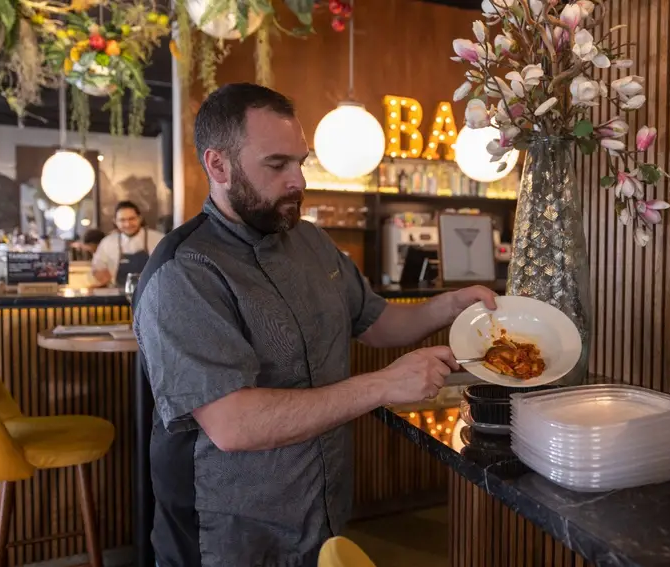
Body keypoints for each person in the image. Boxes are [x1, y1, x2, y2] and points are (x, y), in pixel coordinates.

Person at [132, 83, 497, 567]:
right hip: (229, 536)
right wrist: (385, 384)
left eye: (300, 162)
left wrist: (447, 306)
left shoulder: (310, 242)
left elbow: (374, 321)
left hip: (319, 509)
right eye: (277, 164)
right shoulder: (184, 271)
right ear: (218, 165)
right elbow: (234, 424)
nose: (298, 180)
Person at [90, 201, 164, 287]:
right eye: (122, 220)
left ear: (140, 218)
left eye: (131, 219)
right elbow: (97, 268)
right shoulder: (107, 243)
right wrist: (99, 274)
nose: (127, 224)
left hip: (152, 294)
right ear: (115, 221)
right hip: (118, 296)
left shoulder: (159, 239)